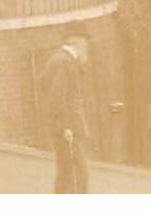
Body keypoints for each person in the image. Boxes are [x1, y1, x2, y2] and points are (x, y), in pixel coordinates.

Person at [37, 26, 92, 193]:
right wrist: (65, 126)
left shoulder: (61, 59)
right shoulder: (64, 62)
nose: (87, 48)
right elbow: (57, 96)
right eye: (86, 44)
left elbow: (43, 84)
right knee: (78, 173)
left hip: (65, 126)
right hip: (68, 128)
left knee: (67, 172)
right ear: (78, 42)